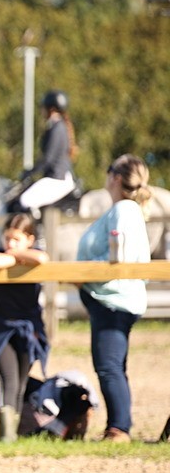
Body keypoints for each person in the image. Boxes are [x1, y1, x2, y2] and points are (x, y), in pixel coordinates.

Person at [76, 153, 152, 442]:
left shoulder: (123, 209)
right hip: (113, 299)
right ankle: (119, 425)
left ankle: (119, 429)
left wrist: (83, 273)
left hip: (114, 300)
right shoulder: (127, 210)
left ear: (116, 178)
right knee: (113, 365)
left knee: (108, 366)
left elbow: (116, 257)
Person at [0, 214, 49, 442]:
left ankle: (15, 430)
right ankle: (6, 435)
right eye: (7, 238)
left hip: (28, 328)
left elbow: (42, 259)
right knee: (9, 378)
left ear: (29, 239)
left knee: (21, 381)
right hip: (2, 328)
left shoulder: (34, 253)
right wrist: (15, 256)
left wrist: (18, 255)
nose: (10, 244)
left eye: (16, 239)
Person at [16, 90, 77, 217]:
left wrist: (29, 172)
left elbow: (48, 159)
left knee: (25, 200)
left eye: (44, 108)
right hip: (59, 176)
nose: (42, 111)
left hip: (57, 178)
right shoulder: (60, 126)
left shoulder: (56, 128)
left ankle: (37, 235)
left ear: (51, 109)